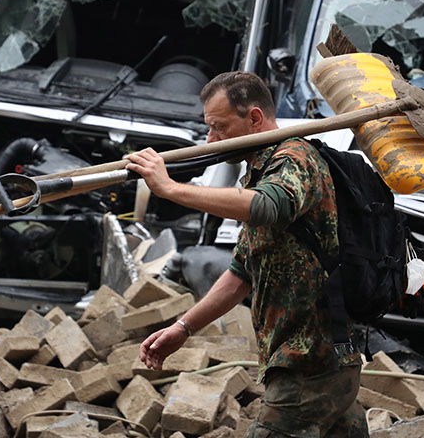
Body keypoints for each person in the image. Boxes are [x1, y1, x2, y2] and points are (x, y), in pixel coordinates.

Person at [124, 71, 368, 438]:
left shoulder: (294, 158)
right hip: (320, 363)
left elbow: (269, 206)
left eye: (219, 127)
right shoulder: (261, 172)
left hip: (309, 363)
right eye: (209, 128)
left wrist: (170, 189)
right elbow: (241, 274)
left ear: (254, 118)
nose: (211, 139)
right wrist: (182, 328)